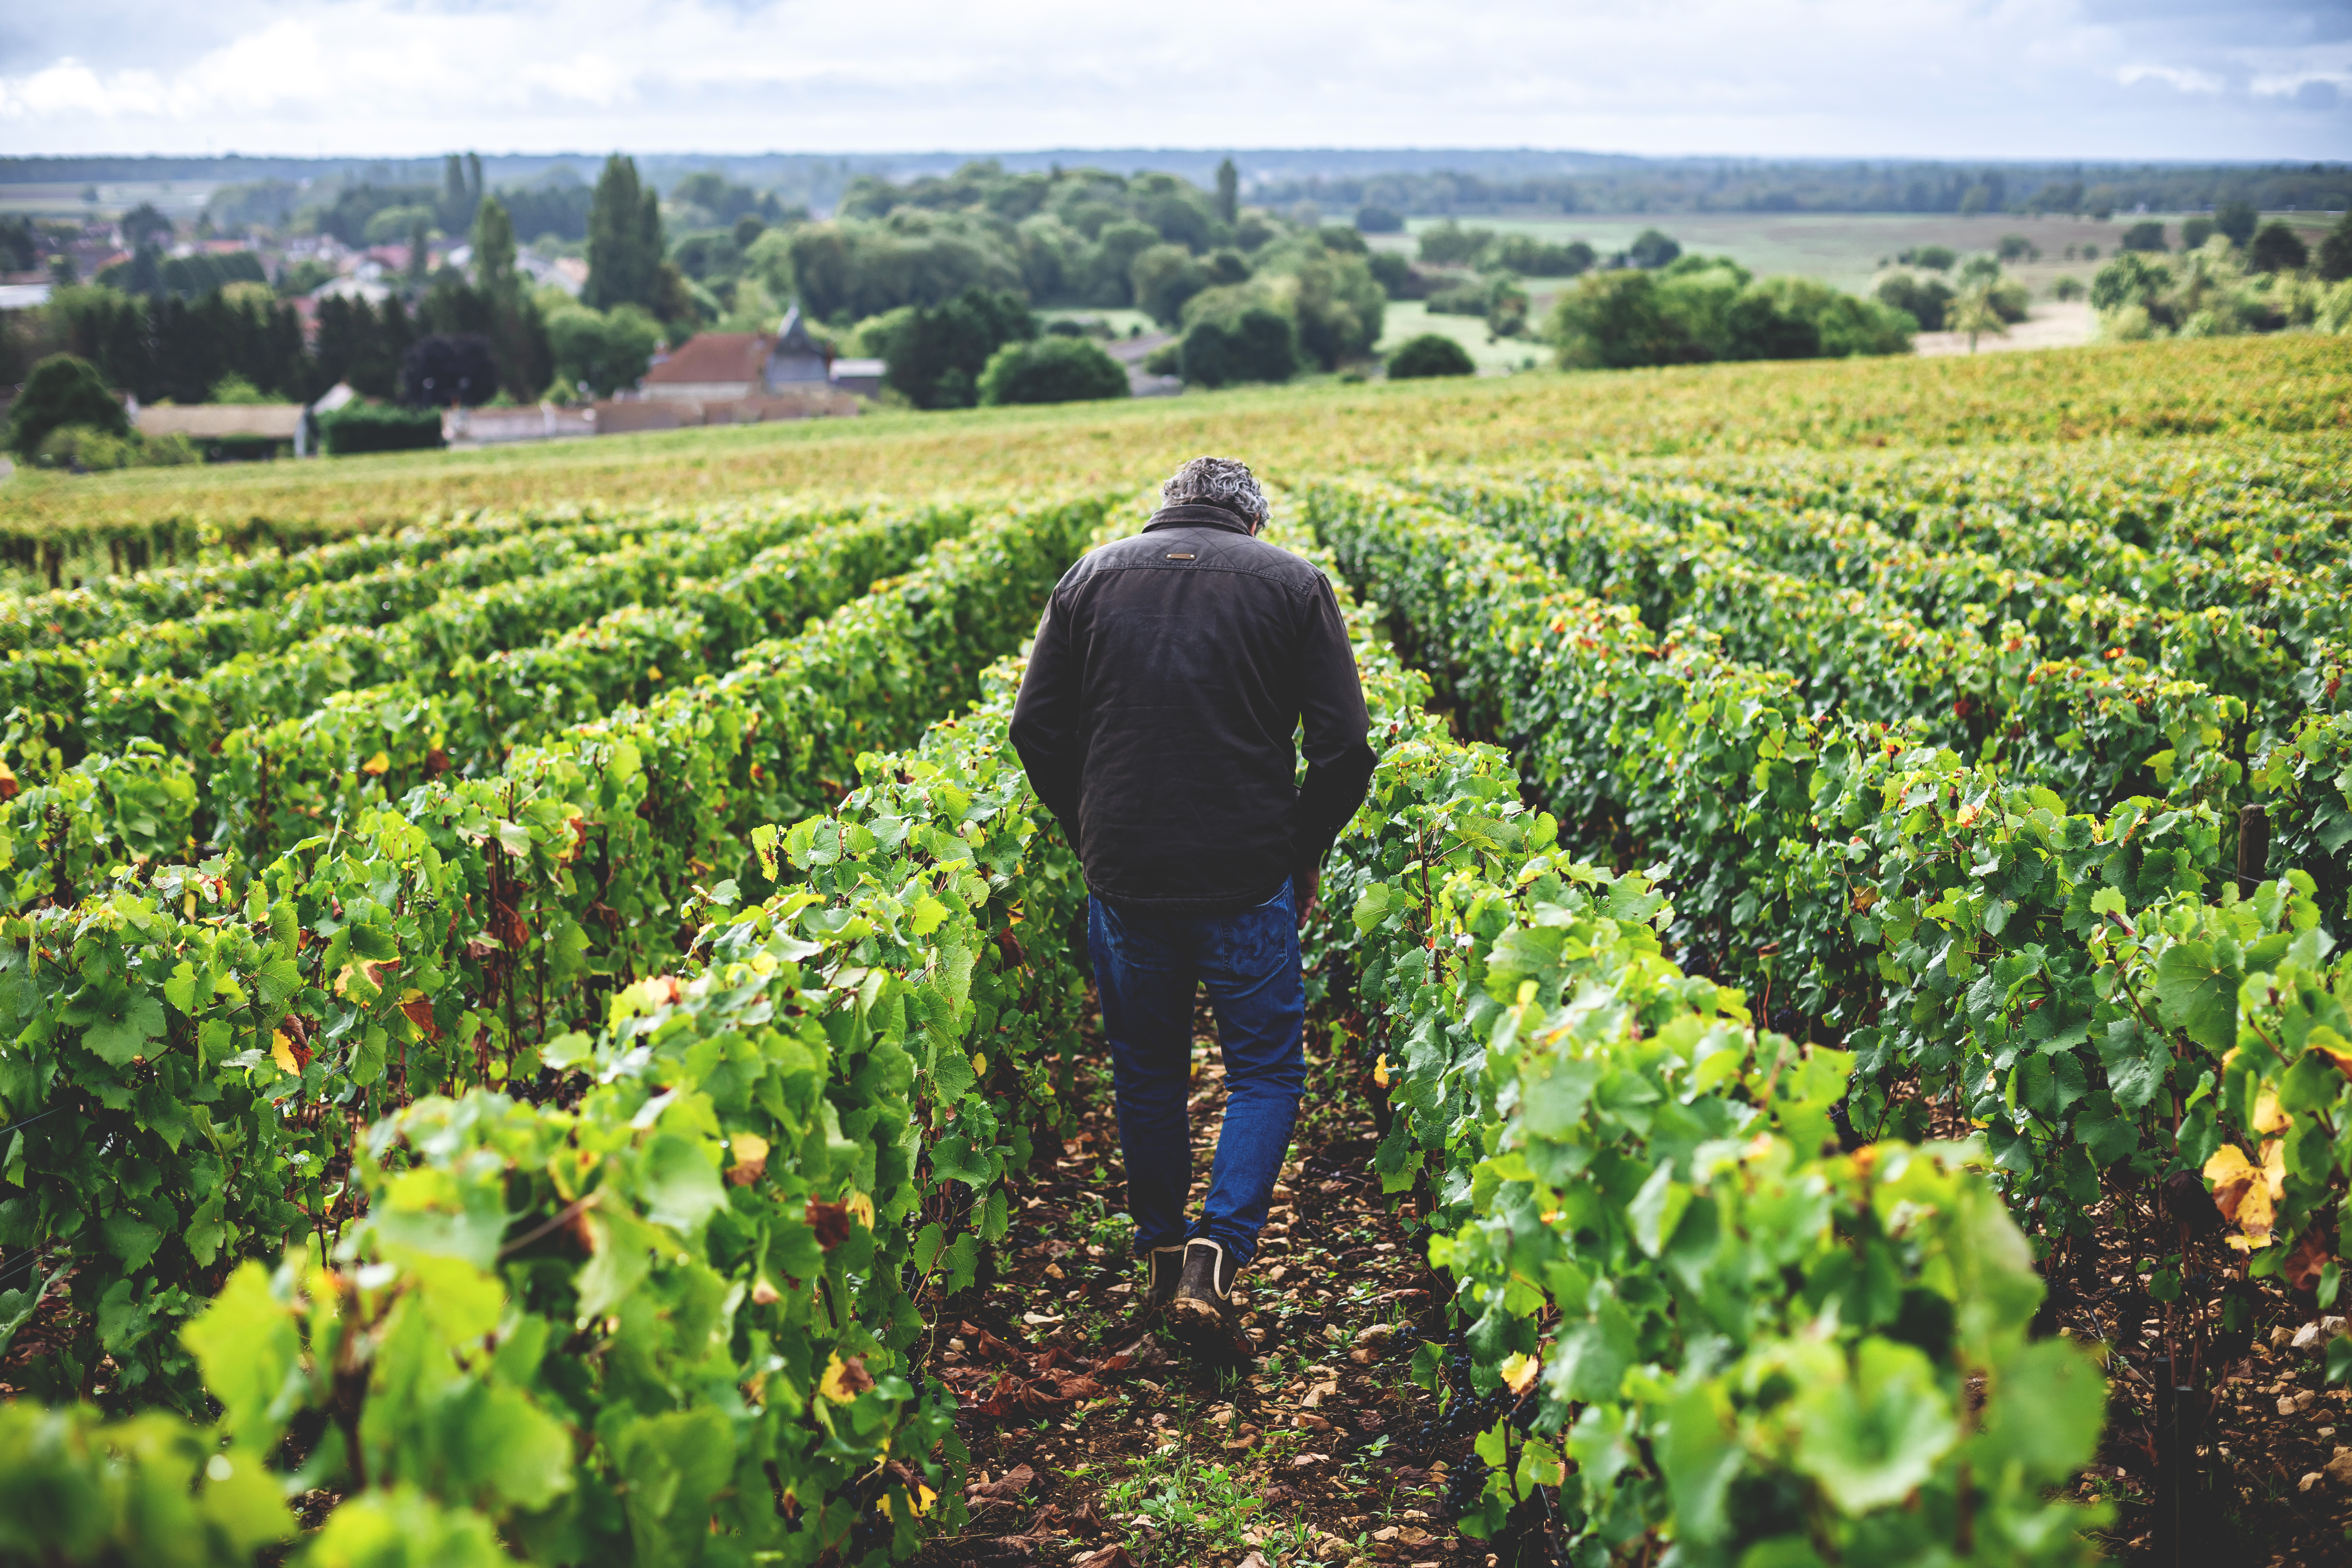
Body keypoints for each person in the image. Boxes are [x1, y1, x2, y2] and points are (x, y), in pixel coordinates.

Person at [1009, 456, 1376, 1358]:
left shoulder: (1089, 577)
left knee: (1146, 1074)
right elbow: (1345, 749)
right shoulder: (1292, 583)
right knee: (1265, 1072)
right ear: (1253, 523)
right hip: (1246, 870)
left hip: (1124, 871)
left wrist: (1085, 827)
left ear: (1164, 511)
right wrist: (1302, 853)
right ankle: (1214, 1261)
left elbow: (1033, 729)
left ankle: (1159, 1262)